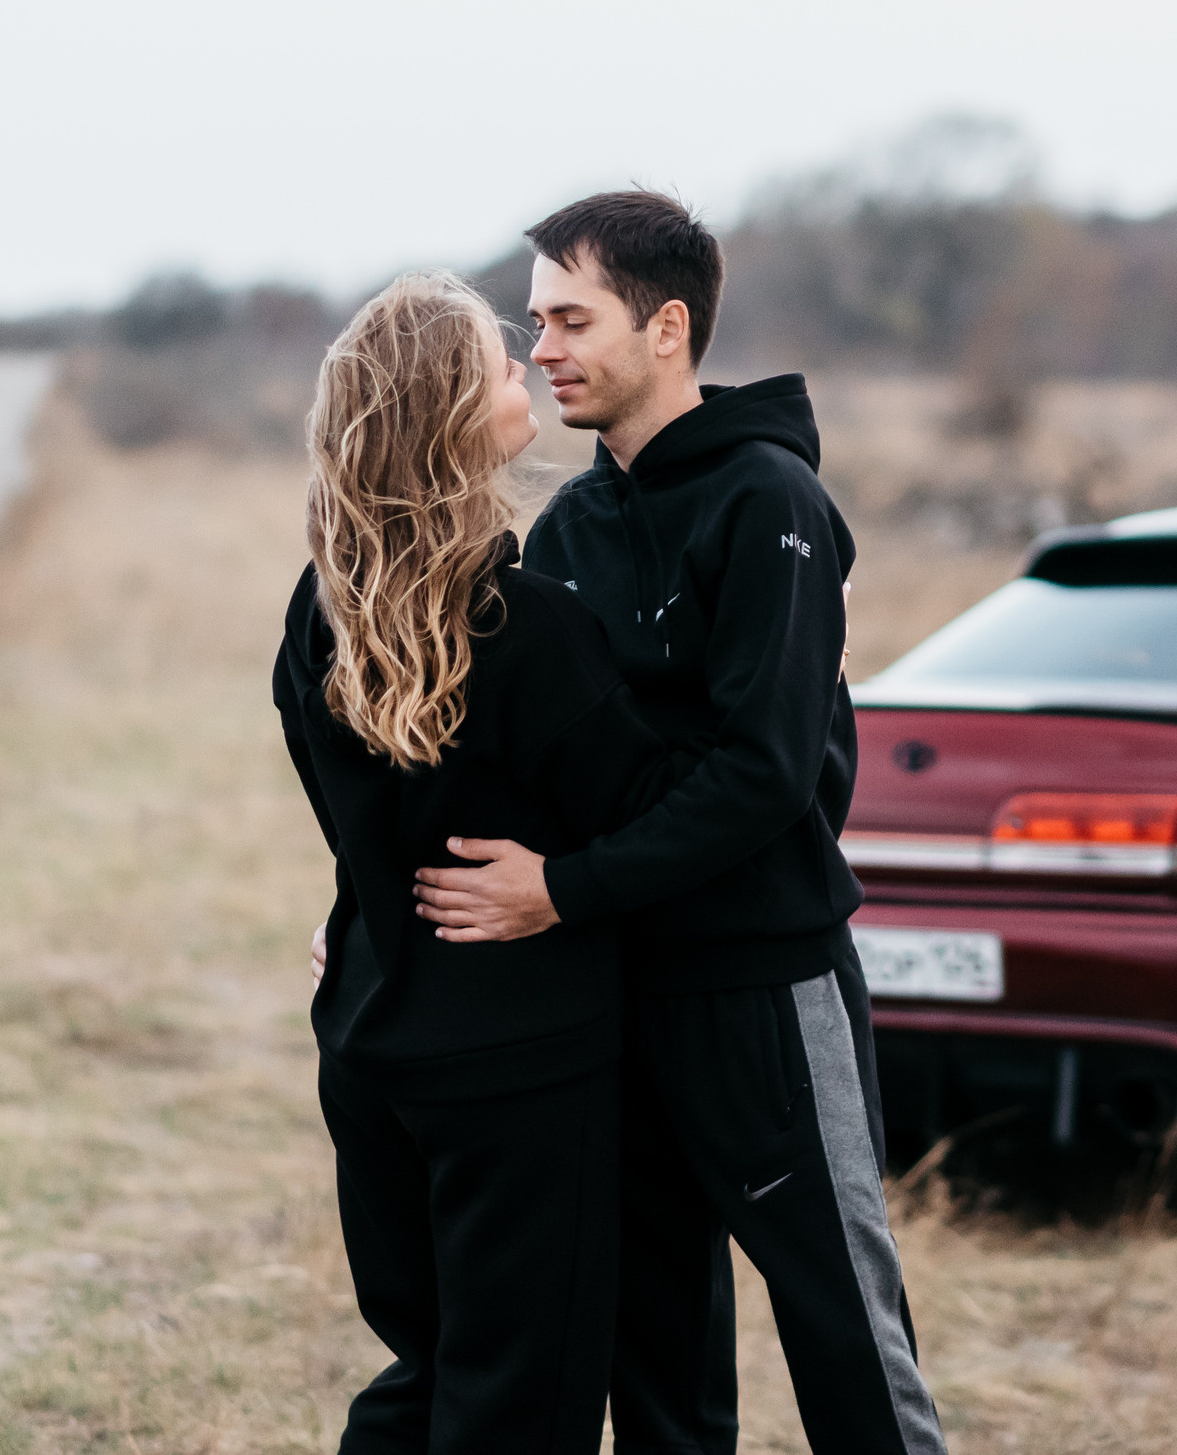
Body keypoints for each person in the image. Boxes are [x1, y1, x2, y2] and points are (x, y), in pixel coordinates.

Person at [410, 191, 946, 1455]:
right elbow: (514, 763)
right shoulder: (570, 526)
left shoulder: (771, 506)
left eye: (570, 318)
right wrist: (372, 912)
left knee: (843, 1337)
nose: (540, 347)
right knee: (657, 1356)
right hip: (612, 1003)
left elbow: (762, 779)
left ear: (667, 330)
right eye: (534, 320)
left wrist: (566, 890)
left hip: (763, 991)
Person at [276, 271, 688, 1453]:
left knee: (436, 1367)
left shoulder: (318, 614)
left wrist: (356, 920)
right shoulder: (526, 626)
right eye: (505, 366)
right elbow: (656, 818)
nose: (530, 374)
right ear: (455, 416)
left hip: (370, 1044)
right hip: (520, 1072)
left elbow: (359, 833)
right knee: (522, 1403)